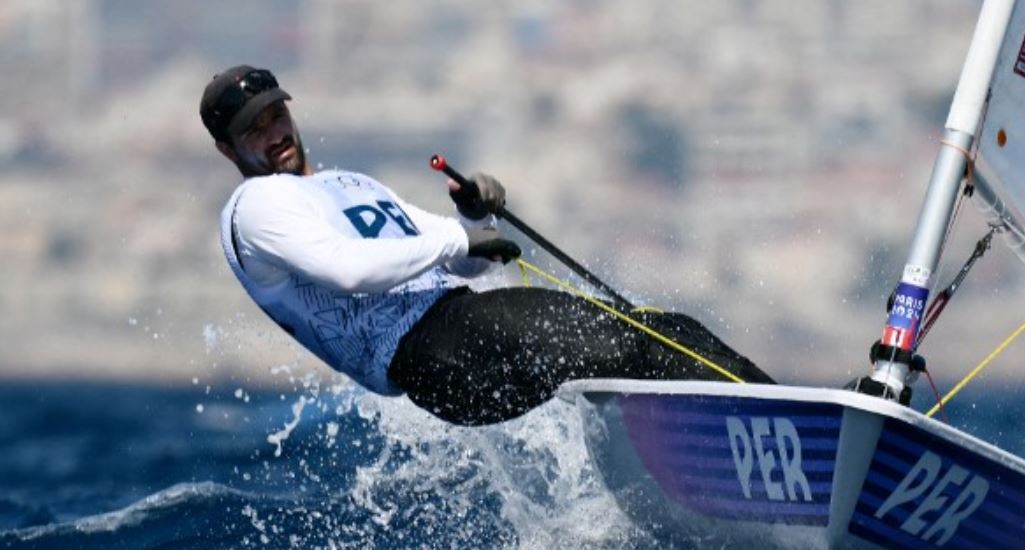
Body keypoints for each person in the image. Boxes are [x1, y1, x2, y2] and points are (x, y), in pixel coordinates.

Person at [201, 66, 770, 425]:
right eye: (255, 130)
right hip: (432, 346)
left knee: (664, 331)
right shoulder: (257, 207)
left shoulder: (347, 185)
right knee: (632, 343)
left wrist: (467, 215)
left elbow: (462, 259)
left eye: (278, 115)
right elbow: (349, 271)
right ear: (228, 151)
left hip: (460, 348)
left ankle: (769, 415)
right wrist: (456, 236)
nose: (275, 134)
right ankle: (770, 422)